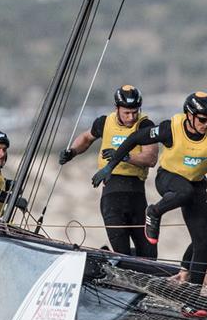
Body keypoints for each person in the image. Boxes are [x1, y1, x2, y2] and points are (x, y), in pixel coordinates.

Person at [94, 91, 207, 287]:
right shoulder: (170, 128)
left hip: (196, 186)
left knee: (202, 244)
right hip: (167, 178)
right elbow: (135, 138)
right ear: (190, 115)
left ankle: (192, 297)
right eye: (203, 120)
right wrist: (110, 167)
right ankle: (154, 212)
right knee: (183, 190)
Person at [59, 85, 158, 257]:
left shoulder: (145, 125)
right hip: (112, 196)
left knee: (149, 254)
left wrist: (124, 156)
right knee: (122, 253)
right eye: (127, 113)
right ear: (117, 108)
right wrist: (72, 151)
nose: (131, 117)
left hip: (137, 196)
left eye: (135, 112)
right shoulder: (104, 122)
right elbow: (85, 138)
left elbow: (151, 158)